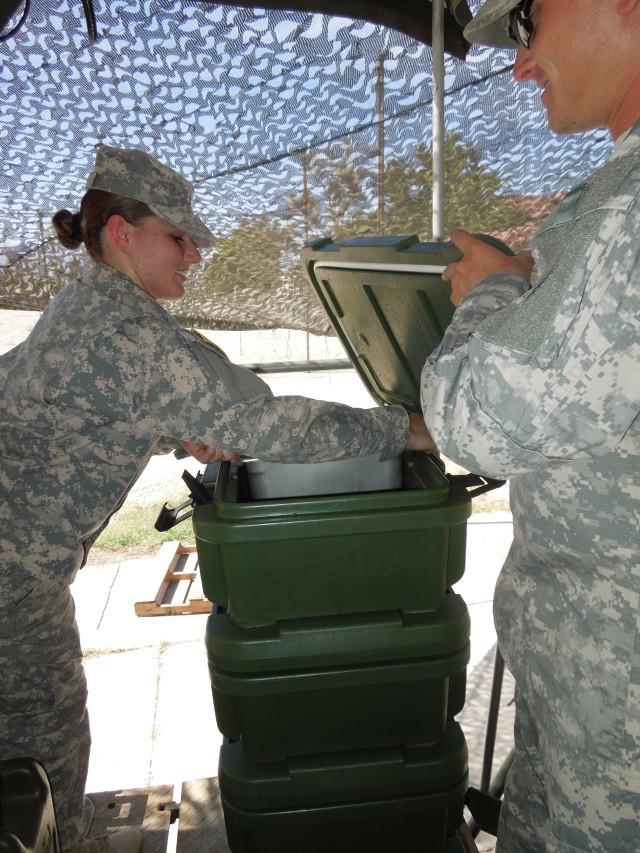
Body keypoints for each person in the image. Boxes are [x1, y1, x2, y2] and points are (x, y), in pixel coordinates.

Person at [0, 145, 433, 853]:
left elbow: (73, 404)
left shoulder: (90, 306)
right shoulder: (126, 333)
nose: (194, 254)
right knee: (41, 754)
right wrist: (405, 429)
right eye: (179, 236)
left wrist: (176, 426)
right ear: (121, 233)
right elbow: (270, 426)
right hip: (12, 580)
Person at [419, 0, 640, 850]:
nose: (519, 65)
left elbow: (476, 418)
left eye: (528, 23)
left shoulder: (624, 209)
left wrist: (491, 293)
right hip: (586, 690)